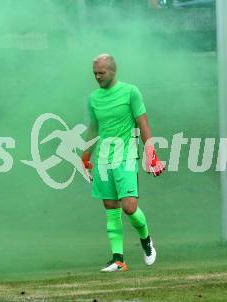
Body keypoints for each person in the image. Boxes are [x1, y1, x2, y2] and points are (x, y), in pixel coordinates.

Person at [82, 54, 165, 272]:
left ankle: (146, 240)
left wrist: (151, 153)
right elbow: (93, 128)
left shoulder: (131, 92)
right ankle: (118, 260)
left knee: (129, 207)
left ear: (113, 71)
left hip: (126, 156)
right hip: (102, 160)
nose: (98, 77)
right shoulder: (93, 99)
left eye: (102, 73)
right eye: (95, 74)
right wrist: (85, 156)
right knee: (110, 208)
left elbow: (143, 124)